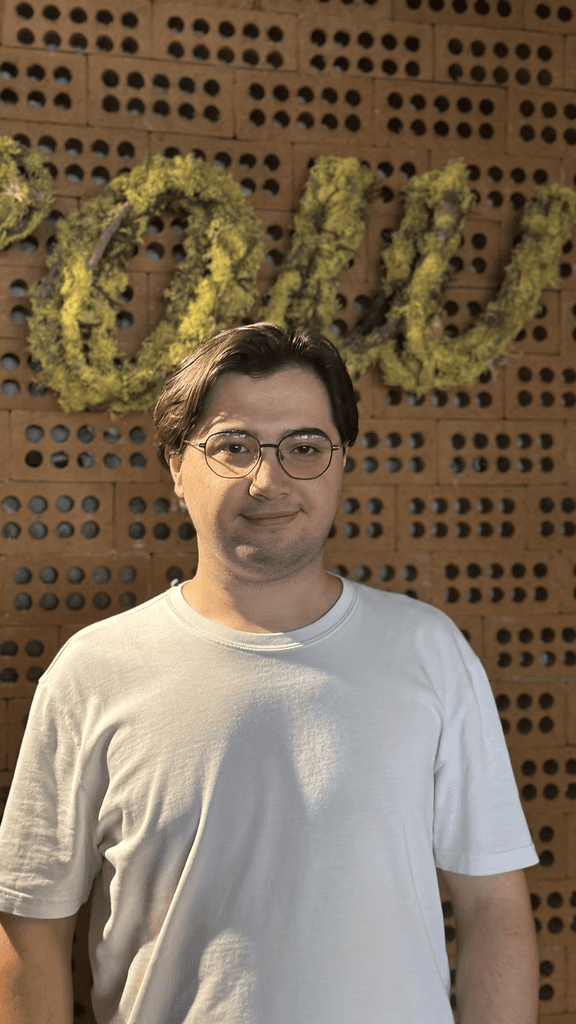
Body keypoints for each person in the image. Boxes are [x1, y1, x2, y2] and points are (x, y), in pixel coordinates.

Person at [0, 322, 540, 1024]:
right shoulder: (94, 672)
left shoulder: (427, 652)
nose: (269, 478)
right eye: (233, 446)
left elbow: (494, 909)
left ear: (341, 461)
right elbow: (30, 931)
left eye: (305, 448)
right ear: (175, 465)